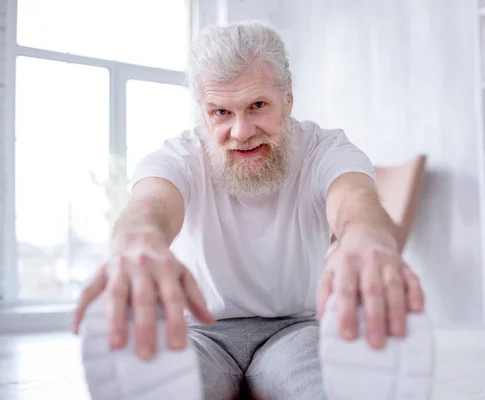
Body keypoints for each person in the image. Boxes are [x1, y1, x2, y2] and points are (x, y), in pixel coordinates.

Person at [72, 20, 432, 400]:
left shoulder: (325, 149)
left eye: (257, 106)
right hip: (198, 332)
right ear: (203, 110)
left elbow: (355, 201)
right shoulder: (180, 155)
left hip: (293, 329)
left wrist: (367, 237)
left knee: (322, 391)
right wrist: (138, 239)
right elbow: (152, 204)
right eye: (221, 112)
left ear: (288, 98)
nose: (241, 131)